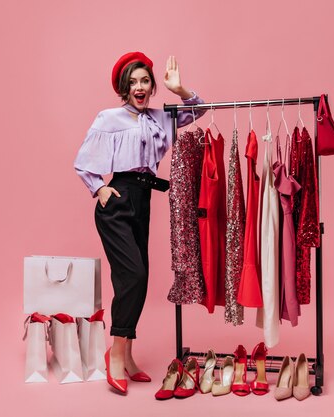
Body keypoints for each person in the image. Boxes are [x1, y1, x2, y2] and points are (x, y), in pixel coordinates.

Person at [74, 51, 205, 394]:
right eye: (132, 82)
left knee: (139, 280)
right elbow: (84, 161)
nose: (140, 87)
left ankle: (128, 356)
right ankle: (115, 354)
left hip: (144, 201)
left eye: (145, 80)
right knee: (133, 275)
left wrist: (179, 89)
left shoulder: (162, 117)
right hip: (117, 201)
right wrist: (99, 189)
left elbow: (201, 110)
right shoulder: (109, 117)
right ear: (123, 87)